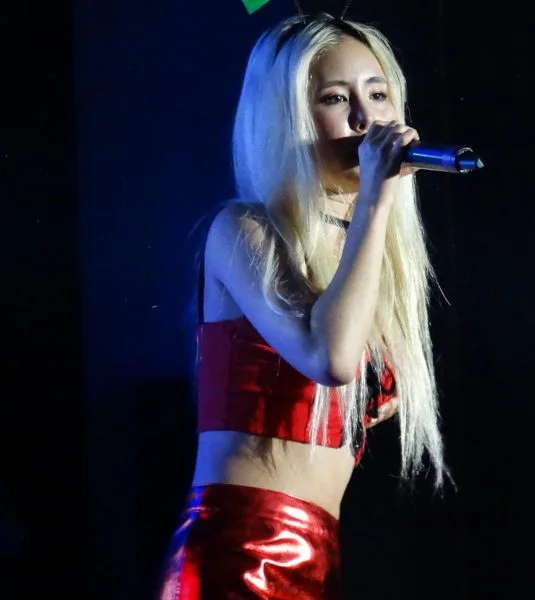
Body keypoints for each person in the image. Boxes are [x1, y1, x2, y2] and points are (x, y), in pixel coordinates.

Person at [157, 12, 451, 600]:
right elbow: (330, 359)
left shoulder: (365, 253)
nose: (366, 120)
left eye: (378, 95)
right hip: (243, 550)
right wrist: (376, 201)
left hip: (318, 553)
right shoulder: (244, 231)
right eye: (336, 99)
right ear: (286, 117)